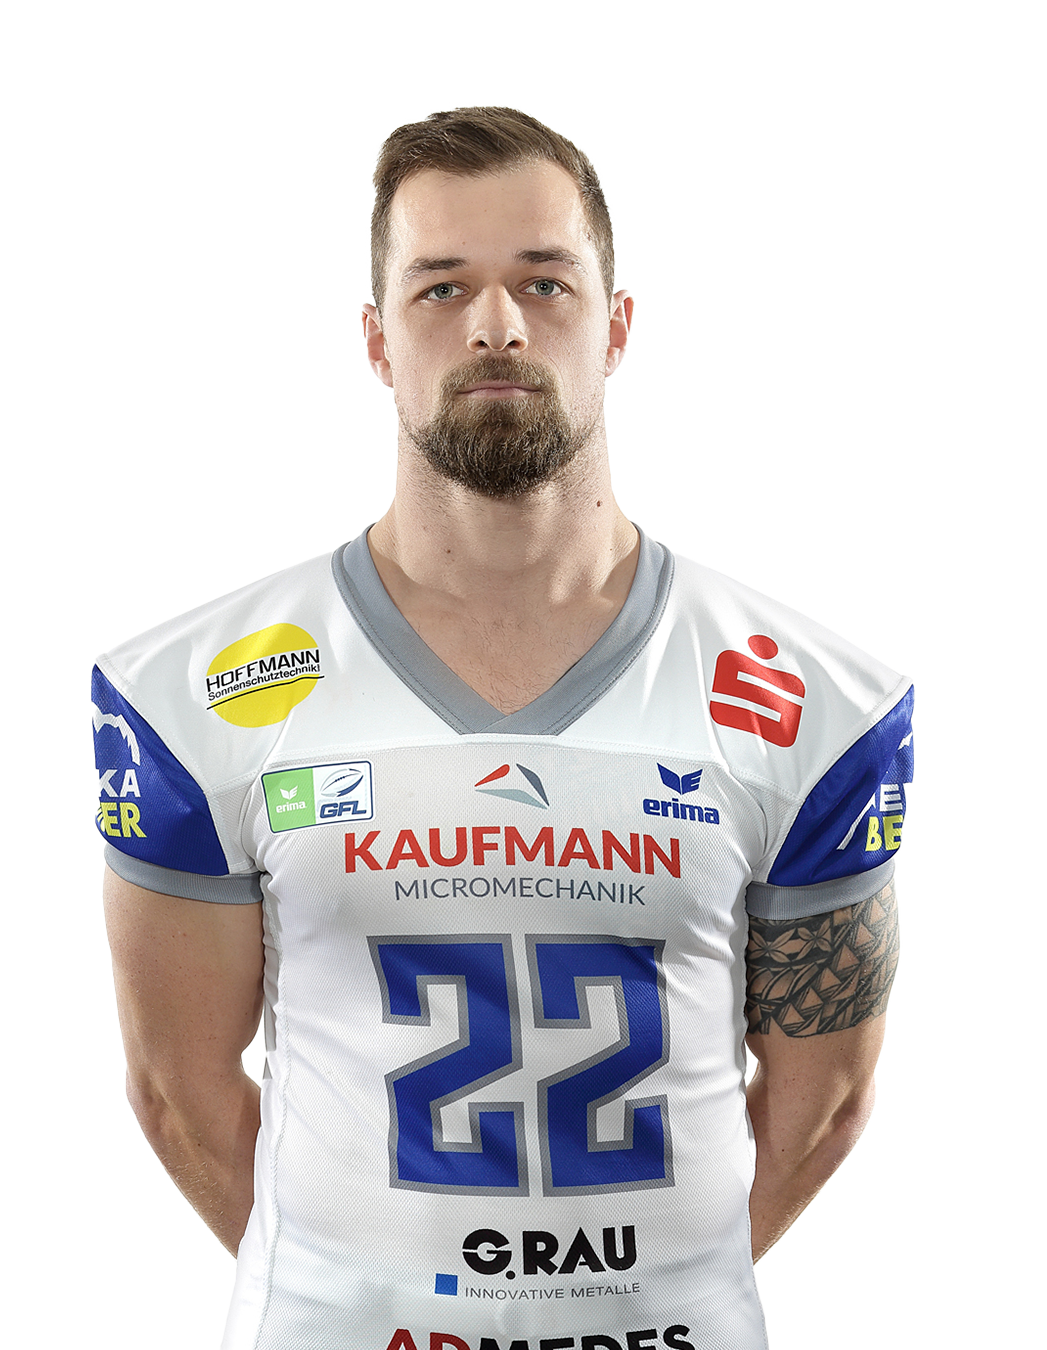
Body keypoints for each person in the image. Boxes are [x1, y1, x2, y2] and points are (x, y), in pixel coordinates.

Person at [94, 107, 912, 1350]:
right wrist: (360, 1301)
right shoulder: (189, 694)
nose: (497, 326)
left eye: (543, 281)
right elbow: (178, 1093)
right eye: (441, 288)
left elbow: (826, 1103)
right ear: (377, 340)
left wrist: (634, 1304)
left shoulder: (815, 700)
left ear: (616, 325)